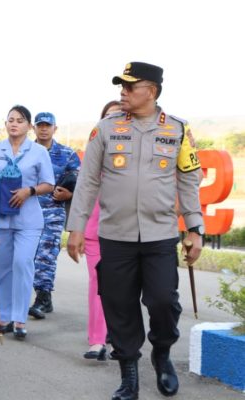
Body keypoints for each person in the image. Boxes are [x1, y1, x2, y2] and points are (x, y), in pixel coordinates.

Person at [67, 62, 204, 400]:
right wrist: (76, 227)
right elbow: (87, 181)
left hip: (160, 235)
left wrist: (195, 227)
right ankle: (129, 375)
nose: (122, 93)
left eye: (130, 87)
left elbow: (188, 180)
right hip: (115, 236)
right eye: (121, 87)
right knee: (119, 304)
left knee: (162, 301)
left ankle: (162, 352)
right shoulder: (105, 129)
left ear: (152, 91)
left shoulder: (178, 131)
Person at [0, 105, 55, 340]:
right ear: (5, 124)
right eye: (10, 120)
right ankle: (3, 318)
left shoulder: (38, 152)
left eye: (20, 120)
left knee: (22, 263)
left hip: (28, 219)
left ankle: (19, 319)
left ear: (29, 126)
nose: (14, 124)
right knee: (2, 268)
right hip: (0, 219)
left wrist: (30, 191)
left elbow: (49, 184)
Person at [28, 112, 80, 320]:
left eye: (47, 125)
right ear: (34, 128)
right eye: (40, 125)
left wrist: (70, 194)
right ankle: (27, 296)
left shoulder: (67, 154)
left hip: (53, 211)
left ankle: (43, 297)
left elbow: (83, 181)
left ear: (54, 129)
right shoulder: (25, 151)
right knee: (27, 257)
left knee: (46, 255)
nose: (43, 129)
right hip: (28, 210)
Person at [83, 100, 121, 362]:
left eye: (119, 115)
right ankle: (97, 341)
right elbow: (84, 189)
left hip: (128, 231)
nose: (114, 120)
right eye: (109, 116)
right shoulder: (95, 148)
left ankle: (120, 338)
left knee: (125, 288)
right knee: (99, 284)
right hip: (95, 229)